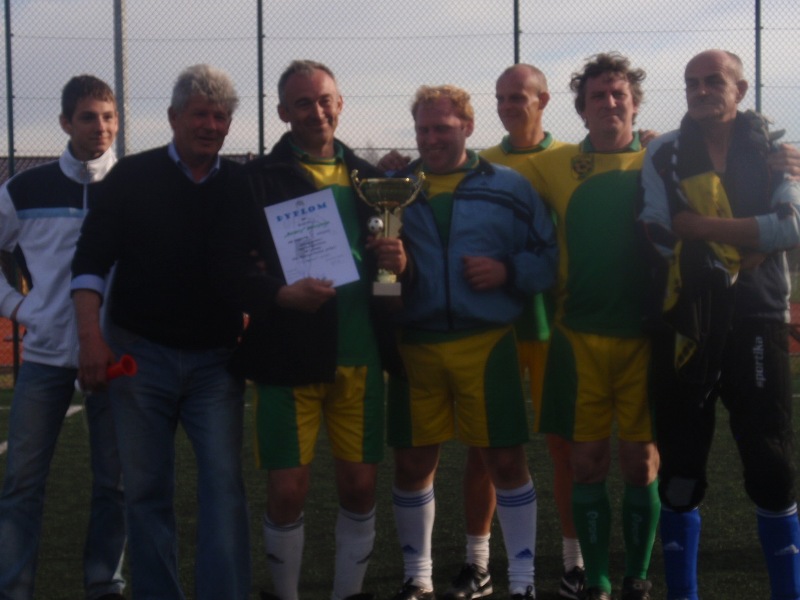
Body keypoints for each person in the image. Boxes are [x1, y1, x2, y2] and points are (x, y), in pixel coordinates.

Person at [209, 59, 399, 600]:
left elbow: (389, 281)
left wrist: (399, 267)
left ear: (340, 104)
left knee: (360, 485)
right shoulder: (255, 180)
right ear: (282, 113)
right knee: (288, 489)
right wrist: (279, 295)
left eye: (324, 100)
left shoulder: (374, 181)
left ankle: (348, 592)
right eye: (302, 103)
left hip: (360, 355)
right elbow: (228, 270)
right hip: (288, 357)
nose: (316, 111)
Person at [71, 64, 251, 600]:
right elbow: (89, 263)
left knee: (224, 490)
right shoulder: (131, 177)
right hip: (139, 358)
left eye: (220, 116)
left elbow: (263, 264)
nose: (211, 125)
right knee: (146, 492)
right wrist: (91, 339)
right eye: (200, 114)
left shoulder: (242, 184)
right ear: (173, 117)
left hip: (217, 363)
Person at [384, 84, 557, 600]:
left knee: (505, 462)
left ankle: (521, 582)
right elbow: (380, 278)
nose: (431, 138)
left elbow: (548, 257)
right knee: (413, 465)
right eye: (423, 129)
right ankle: (418, 577)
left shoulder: (509, 185)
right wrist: (394, 271)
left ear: (468, 127)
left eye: (442, 127)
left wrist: (508, 271)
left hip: (487, 343)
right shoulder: (395, 188)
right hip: (415, 346)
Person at [638, 49, 800, 600]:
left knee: (772, 464)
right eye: (692, 82)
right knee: (681, 468)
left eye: (714, 80)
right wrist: (746, 245)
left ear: (740, 88)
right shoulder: (662, 152)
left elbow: (790, 228)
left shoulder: (774, 149)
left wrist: (703, 228)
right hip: (689, 320)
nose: (702, 90)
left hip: (759, 317)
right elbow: (657, 230)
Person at [440, 63, 583, 600]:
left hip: (554, 324)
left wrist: (653, 142)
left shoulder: (573, 157)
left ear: (543, 99)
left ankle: (574, 562)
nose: (506, 106)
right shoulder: (482, 163)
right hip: (494, 324)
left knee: (564, 446)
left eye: (517, 97)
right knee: (483, 449)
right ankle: (477, 563)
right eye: (500, 98)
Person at [526, 53, 660, 600]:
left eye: (619, 94)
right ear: (581, 109)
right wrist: (404, 169)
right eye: (597, 96)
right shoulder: (555, 162)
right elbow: (481, 164)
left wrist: (780, 159)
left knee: (641, 464)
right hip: (578, 338)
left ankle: (637, 576)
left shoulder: (661, 159)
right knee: (586, 463)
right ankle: (598, 578)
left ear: (635, 104)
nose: (609, 103)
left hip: (645, 339)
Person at [0, 75, 126, 600]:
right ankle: (14, 588)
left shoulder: (134, 184)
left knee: (115, 484)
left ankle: (104, 583)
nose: (101, 127)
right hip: (46, 358)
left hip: (116, 360)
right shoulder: (23, 189)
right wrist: (19, 307)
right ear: (65, 122)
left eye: (108, 117)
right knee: (21, 484)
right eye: (88, 117)